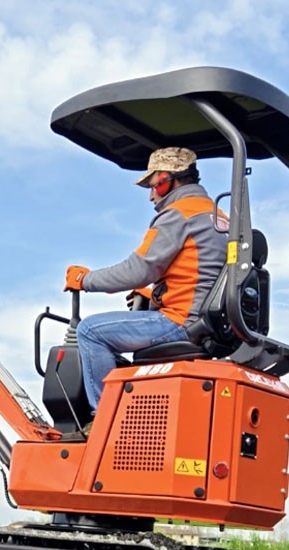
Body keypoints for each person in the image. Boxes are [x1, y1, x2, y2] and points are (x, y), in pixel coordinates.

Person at [63, 146, 228, 416]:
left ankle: (105, 419)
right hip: (208, 322)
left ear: (166, 180)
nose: (151, 195)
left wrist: (85, 279)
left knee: (90, 330)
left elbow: (138, 271)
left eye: (152, 186)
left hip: (181, 322)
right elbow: (204, 276)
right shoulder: (218, 216)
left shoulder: (178, 214)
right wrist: (154, 295)